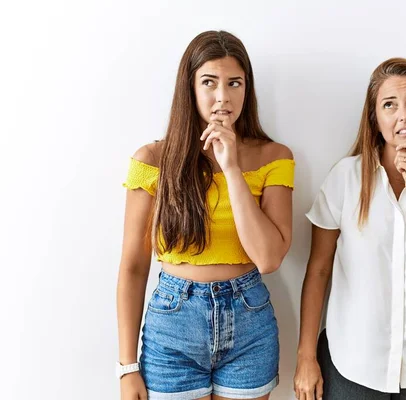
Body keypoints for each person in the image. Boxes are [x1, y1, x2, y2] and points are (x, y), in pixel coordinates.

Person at [116, 30, 294, 400]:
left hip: (249, 321)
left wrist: (231, 168)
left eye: (234, 83)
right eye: (209, 82)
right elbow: (133, 266)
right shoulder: (151, 161)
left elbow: (269, 258)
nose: (222, 97)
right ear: (190, 87)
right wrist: (127, 367)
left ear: (248, 89)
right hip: (173, 323)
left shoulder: (274, 156)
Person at [293, 58, 406, 400]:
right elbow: (318, 270)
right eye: (389, 105)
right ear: (375, 120)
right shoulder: (345, 179)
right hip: (352, 367)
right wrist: (306, 357)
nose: (404, 115)